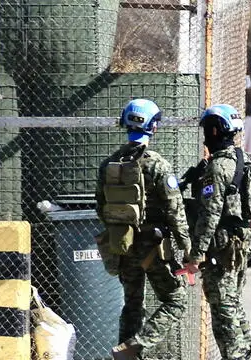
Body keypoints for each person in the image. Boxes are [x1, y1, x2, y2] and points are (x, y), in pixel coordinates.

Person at [95, 98, 191, 360]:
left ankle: (126, 352)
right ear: (154, 127)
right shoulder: (158, 165)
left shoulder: (109, 165)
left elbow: (100, 207)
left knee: (132, 306)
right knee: (177, 300)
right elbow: (175, 210)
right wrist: (188, 246)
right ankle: (137, 345)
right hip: (155, 249)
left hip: (123, 245)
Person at [186, 104, 251, 360]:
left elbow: (210, 214)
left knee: (222, 310)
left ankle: (236, 354)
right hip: (242, 243)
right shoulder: (245, 161)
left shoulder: (218, 168)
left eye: (207, 131)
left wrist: (197, 253)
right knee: (232, 301)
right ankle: (248, 349)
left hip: (222, 248)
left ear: (215, 130)